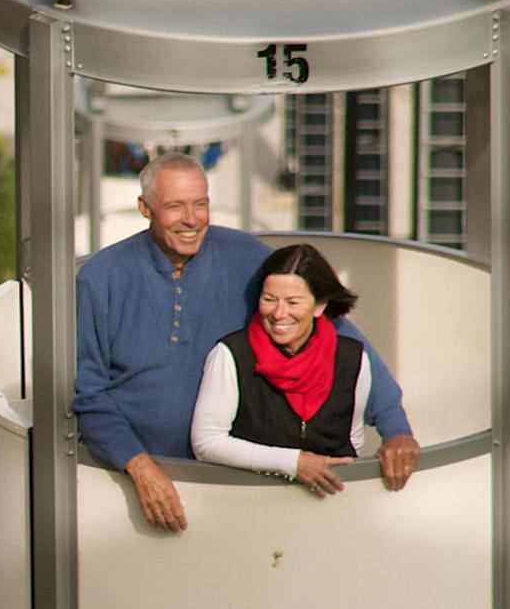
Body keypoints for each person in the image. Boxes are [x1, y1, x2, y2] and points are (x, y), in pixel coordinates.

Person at [72, 153, 419, 533]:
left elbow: (340, 339)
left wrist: (396, 429)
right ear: (145, 208)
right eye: (175, 206)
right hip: (137, 485)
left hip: (242, 483)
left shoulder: (247, 256)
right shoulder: (100, 278)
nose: (191, 219)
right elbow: (88, 392)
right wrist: (138, 466)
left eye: (200, 204)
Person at [191, 243, 403, 499]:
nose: (279, 313)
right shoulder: (230, 354)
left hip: (329, 506)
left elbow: (352, 439)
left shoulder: (354, 358)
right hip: (249, 503)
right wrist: (293, 463)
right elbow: (207, 443)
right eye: (269, 300)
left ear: (319, 306)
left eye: (293, 302)